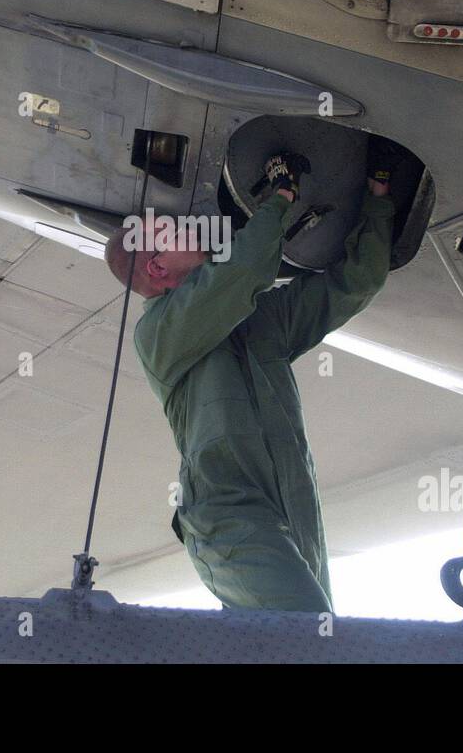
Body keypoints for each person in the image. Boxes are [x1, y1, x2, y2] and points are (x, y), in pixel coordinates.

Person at [103, 150, 396, 611]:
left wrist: (379, 199)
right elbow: (243, 271)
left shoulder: (255, 320)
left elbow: (354, 283)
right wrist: (280, 196)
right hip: (228, 516)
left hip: (293, 506)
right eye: (168, 233)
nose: (184, 229)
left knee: (317, 636)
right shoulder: (158, 332)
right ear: (156, 268)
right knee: (310, 634)